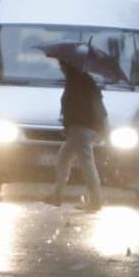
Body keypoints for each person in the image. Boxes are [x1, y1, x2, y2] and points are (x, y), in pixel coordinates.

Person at [48, 60, 107, 210]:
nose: (61, 68)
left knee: (86, 163)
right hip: (85, 127)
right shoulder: (85, 81)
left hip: (81, 128)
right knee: (64, 158)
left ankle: (96, 200)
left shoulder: (76, 83)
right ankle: (57, 195)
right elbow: (98, 105)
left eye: (62, 65)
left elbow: (71, 107)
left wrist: (68, 126)